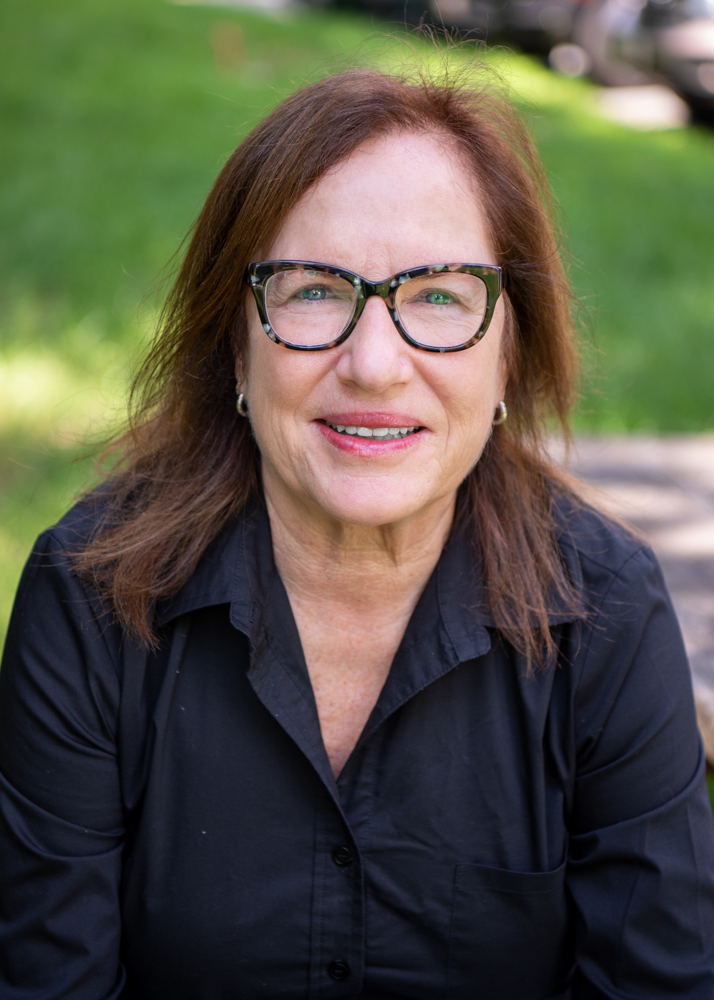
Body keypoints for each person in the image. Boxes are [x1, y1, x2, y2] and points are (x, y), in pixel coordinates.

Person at [0, 64, 712, 1000]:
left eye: (442, 297)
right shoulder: (91, 596)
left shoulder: (607, 611)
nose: (375, 364)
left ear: (512, 353)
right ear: (234, 343)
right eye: (312, 291)